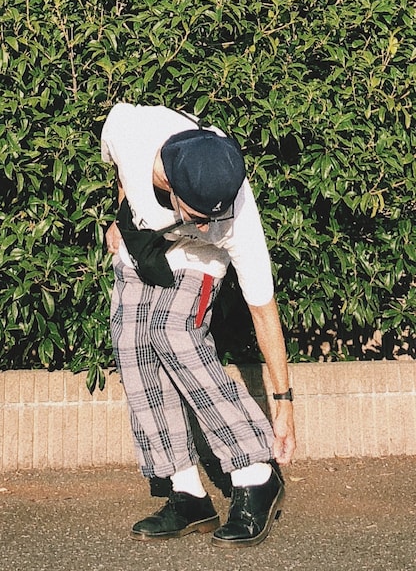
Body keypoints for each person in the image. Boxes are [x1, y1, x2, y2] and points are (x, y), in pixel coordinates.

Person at [101, 103, 296, 548]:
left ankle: (256, 475)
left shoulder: (236, 218)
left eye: (215, 216)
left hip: (197, 259)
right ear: (169, 183)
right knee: (132, 344)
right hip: (142, 243)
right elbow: (121, 167)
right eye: (200, 215)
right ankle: (187, 493)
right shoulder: (128, 129)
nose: (209, 225)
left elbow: (263, 309)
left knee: (173, 331)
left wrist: (283, 401)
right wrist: (122, 213)